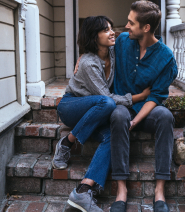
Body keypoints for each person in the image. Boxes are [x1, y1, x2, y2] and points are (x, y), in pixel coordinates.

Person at [52, 16, 150, 212]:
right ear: (93, 36)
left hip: (95, 111)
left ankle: (83, 190)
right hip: (72, 106)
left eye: (111, 28)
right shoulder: (88, 63)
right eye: (105, 30)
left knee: (114, 134)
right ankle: (67, 142)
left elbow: (139, 37)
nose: (111, 32)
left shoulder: (113, 51)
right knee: (107, 102)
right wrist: (138, 97)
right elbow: (107, 98)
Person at [109, 1, 178, 212]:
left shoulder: (166, 58)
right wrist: (82, 57)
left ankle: (159, 191)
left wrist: (137, 120)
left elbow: (156, 96)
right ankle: (121, 190)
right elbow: (99, 48)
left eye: (131, 22)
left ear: (146, 28)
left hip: (147, 110)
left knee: (165, 116)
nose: (126, 26)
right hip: (124, 105)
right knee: (118, 115)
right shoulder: (122, 41)